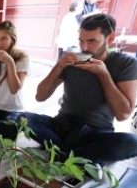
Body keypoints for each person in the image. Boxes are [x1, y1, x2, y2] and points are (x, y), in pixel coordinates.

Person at [24, 14, 137, 166]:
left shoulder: (126, 63)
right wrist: (58, 67)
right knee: (23, 119)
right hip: (63, 124)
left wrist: (103, 75)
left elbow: (123, 115)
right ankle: (78, 157)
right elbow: (40, 96)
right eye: (81, 41)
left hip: (96, 131)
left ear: (110, 39)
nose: (84, 48)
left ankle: (60, 154)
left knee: (132, 143)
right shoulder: (70, 59)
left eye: (91, 41)